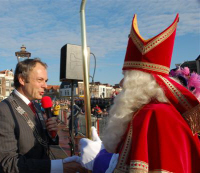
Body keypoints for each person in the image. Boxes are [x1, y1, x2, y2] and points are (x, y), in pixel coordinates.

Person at [64, 14, 200, 172]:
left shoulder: (154, 115)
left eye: (126, 78)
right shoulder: (152, 111)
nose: (121, 84)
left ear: (138, 82)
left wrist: (98, 162)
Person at [0, 58, 85, 173]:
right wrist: (60, 167)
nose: (45, 85)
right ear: (22, 80)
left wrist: (51, 134)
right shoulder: (4, 110)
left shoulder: (36, 106)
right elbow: (7, 163)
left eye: (45, 80)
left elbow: (43, 142)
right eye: (40, 80)